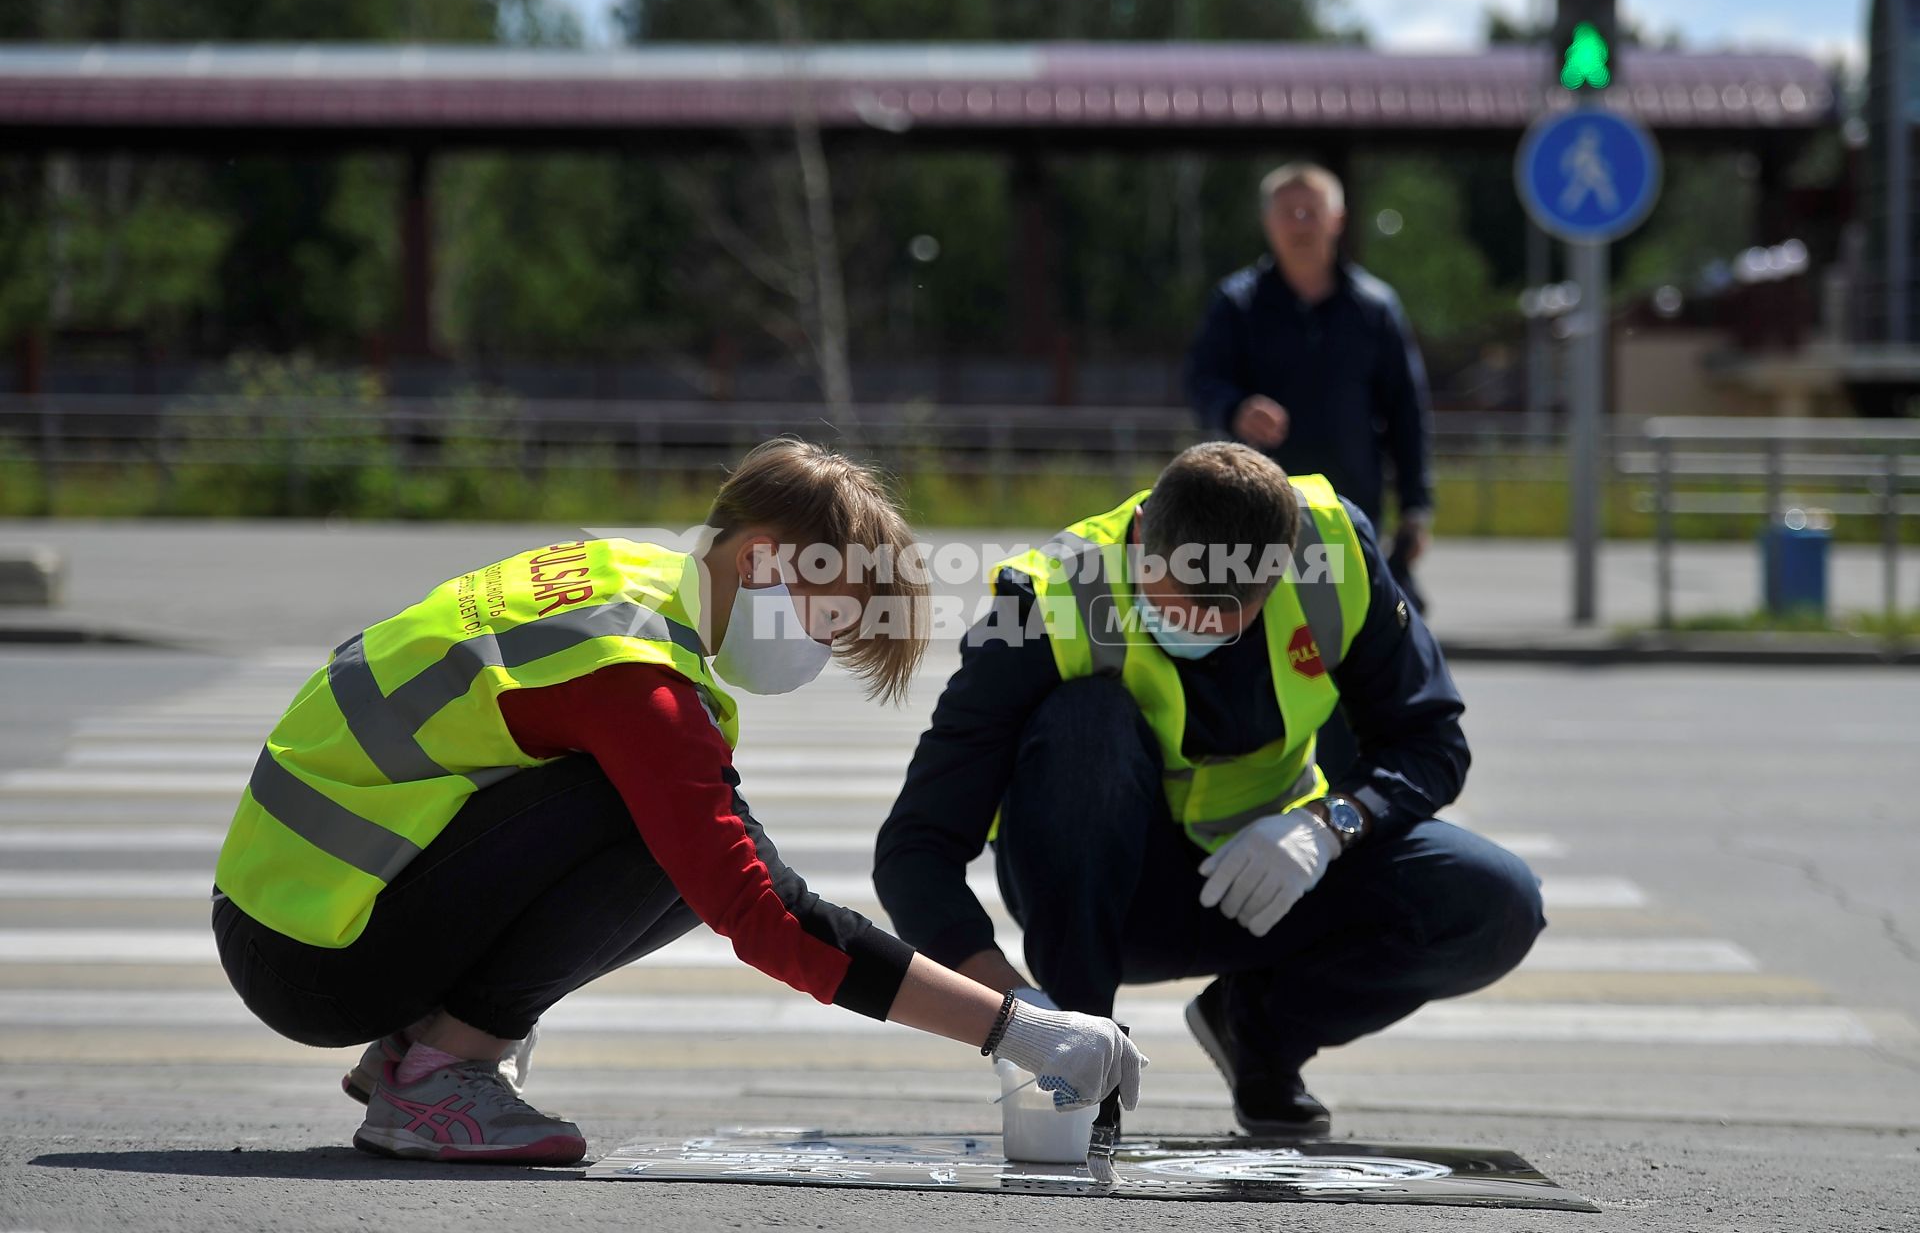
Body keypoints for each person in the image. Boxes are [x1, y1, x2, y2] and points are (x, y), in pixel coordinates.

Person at [211, 437, 1146, 1166]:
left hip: (300, 910)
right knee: (665, 833)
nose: (822, 655)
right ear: (772, 559)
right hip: (313, 953)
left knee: (687, 836)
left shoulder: (630, 578)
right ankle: (442, 1075)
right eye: (831, 623)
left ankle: (422, 1046)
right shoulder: (638, 676)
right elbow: (764, 911)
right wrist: (1014, 1029)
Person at [873, 442, 1541, 1137]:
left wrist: (1328, 823)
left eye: (1234, 616)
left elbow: (1431, 738)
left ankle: (1258, 1035)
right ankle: (1083, 1066)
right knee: (1085, 721)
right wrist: (1020, 1017)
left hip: (1271, 880)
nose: (1206, 631)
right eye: (1184, 608)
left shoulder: (1333, 554)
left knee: (1496, 901)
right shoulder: (1050, 602)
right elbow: (915, 851)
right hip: (1114, 904)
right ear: (1141, 547)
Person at [1184, 162, 1435, 616]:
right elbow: (1201, 382)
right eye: (1287, 212)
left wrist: (1416, 506)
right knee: (1261, 646)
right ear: (1267, 222)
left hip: (1352, 514)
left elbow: (1407, 411)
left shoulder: (1374, 309)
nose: (1300, 223)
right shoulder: (1236, 304)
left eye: (1311, 211)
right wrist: (1235, 408)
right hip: (1252, 515)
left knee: (1351, 641)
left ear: (1337, 219)